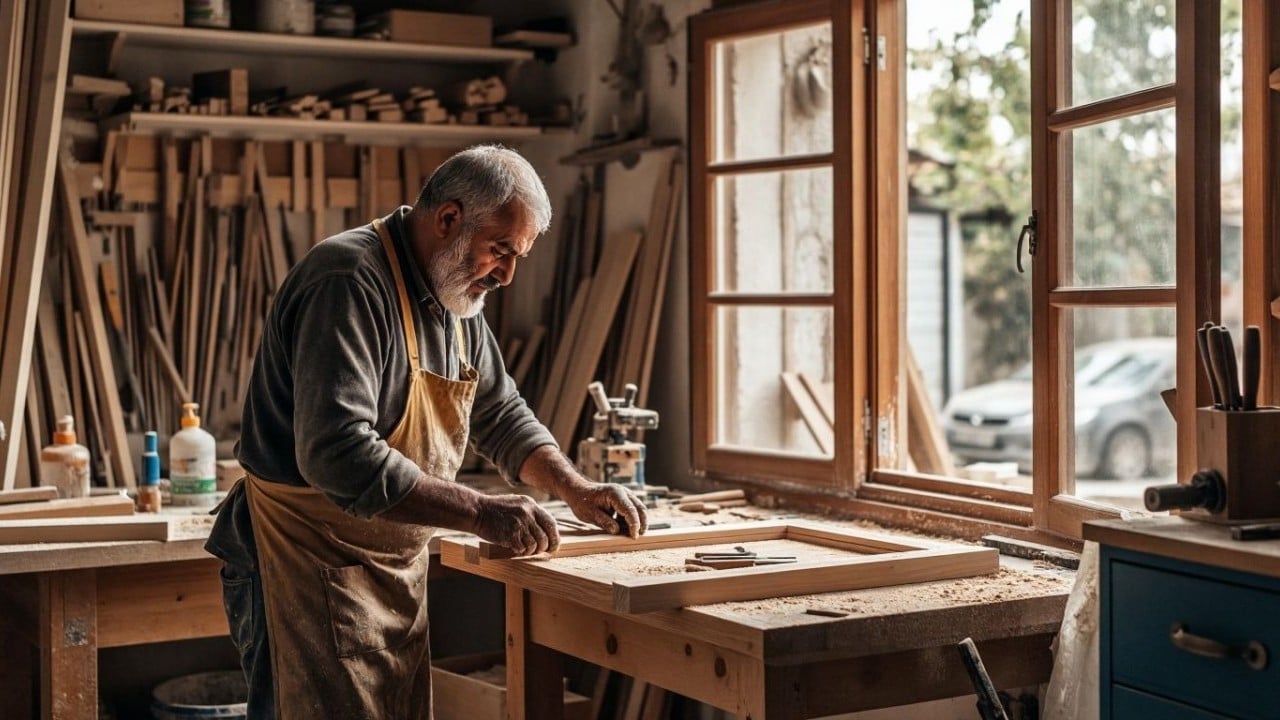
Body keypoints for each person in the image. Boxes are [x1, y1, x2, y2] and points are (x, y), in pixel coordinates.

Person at [206, 144, 648, 719]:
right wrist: (483, 512)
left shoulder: (455, 297)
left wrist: (573, 488)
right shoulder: (348, 281)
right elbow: (336, 453)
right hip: (300, 562)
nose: (508, 274)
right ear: (448, 220)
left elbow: (499, 412)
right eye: (501, 251)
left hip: (386, 570)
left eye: (518, 257)